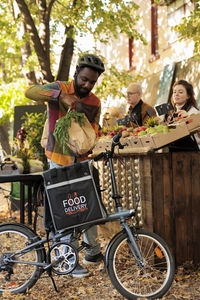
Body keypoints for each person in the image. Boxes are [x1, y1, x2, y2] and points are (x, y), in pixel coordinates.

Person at [25, 54, 105, 278]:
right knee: (66, 209)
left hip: (81, 160)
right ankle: (66, 258)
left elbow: (96, 128)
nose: (87, 85)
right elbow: (30, 91)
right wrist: (61, 96)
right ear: (77, 73)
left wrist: (91, 141)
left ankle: (93, 251)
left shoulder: (95, 102)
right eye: (84, 79)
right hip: (58, 159)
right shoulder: (60, 87)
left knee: (88, 204)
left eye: (92, 82)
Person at [166, 79, 200, 152]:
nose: (176, 94)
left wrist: (189, 118)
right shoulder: (173, 113)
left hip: (191, 154)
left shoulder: (193, 112)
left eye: (180, 92)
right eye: (174, 92)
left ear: (188, 96)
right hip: (175, 154)